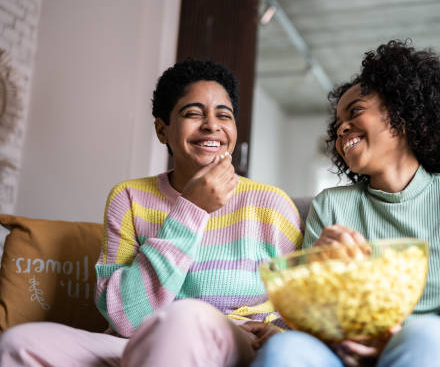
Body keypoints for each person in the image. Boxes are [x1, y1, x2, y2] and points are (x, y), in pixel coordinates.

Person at [0, 59, 303, 367]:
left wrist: (279, 331)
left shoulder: (272, 206)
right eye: (193, 113)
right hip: (139, 339)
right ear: (163, 130)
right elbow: (127, 319)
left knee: (185, 317)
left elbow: (303, 310)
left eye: (223, 115)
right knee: (19, 344)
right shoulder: (129, 197)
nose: (212, 125)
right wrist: (192, 209)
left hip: (230, 341)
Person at [252, 40, 440, 367]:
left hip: (429, 350)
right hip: (344, 358)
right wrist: (316, 267)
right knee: (285, 351)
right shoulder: (330, 206)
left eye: (355, 112)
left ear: (402, 114)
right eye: (336, 126)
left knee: (428, 334)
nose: (341, 128)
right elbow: (314, 327)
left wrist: (396, 342)